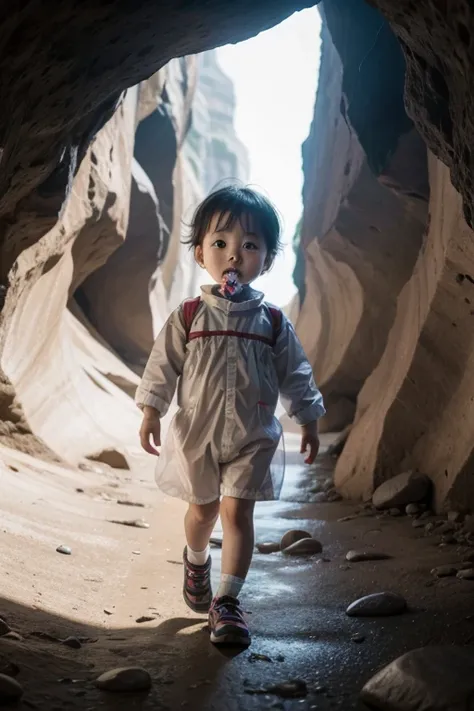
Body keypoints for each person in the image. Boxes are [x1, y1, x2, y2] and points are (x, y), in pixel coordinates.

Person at [135, 185, 325, 646]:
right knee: (201, 513)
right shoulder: (189, 315)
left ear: (267, 258)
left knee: (236, 512)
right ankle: (196, 560)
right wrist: (151, 410)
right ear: (200, 252)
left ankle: (228, 603)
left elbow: (295, 372)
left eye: (250, 245)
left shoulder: (272, 321)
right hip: (197, 431)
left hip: (252, 432)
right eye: (220, 243)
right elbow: (163, 366)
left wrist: (309, 418)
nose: (234, 255)